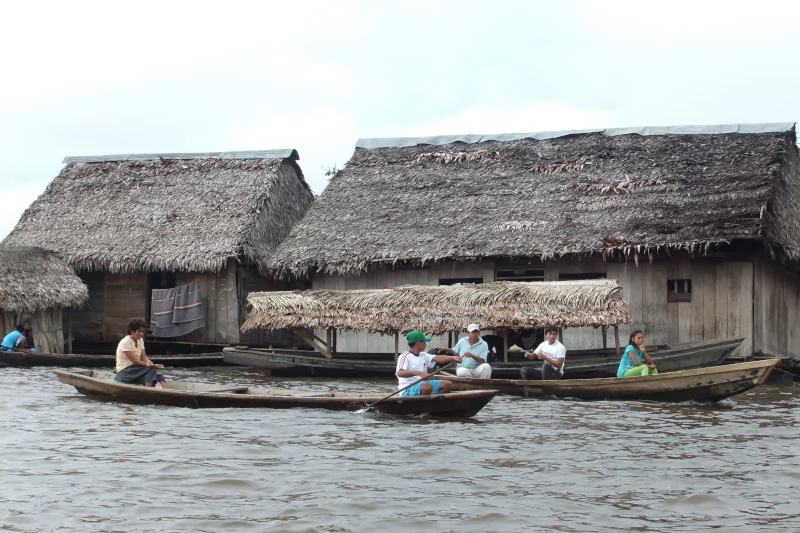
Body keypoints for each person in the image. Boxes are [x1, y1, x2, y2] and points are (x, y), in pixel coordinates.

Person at [396, 330, 461, 396]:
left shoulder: (423, 355)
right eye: (424, 342)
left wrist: (453, 358)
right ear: (418, 343)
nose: (426, 344)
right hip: (408, 387)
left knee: (448, 385)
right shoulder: (404, 356)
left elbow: (437, 358)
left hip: (424, 384)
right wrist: (419, 373)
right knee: (427, 388)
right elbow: (400, 373)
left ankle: (433, 401)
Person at [115, 319, 166, 387]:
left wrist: (149, 362)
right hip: (125, 372)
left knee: (159, 376)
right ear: (132, 331)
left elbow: (144, 357)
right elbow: (135, 361)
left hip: (135, 369)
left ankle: (163, 392)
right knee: (151, 370)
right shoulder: (125, 342)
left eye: (142, 331)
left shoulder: (140, 340)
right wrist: (153, 366)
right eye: (139, 331)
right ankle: (147, 392)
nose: (141, 334)